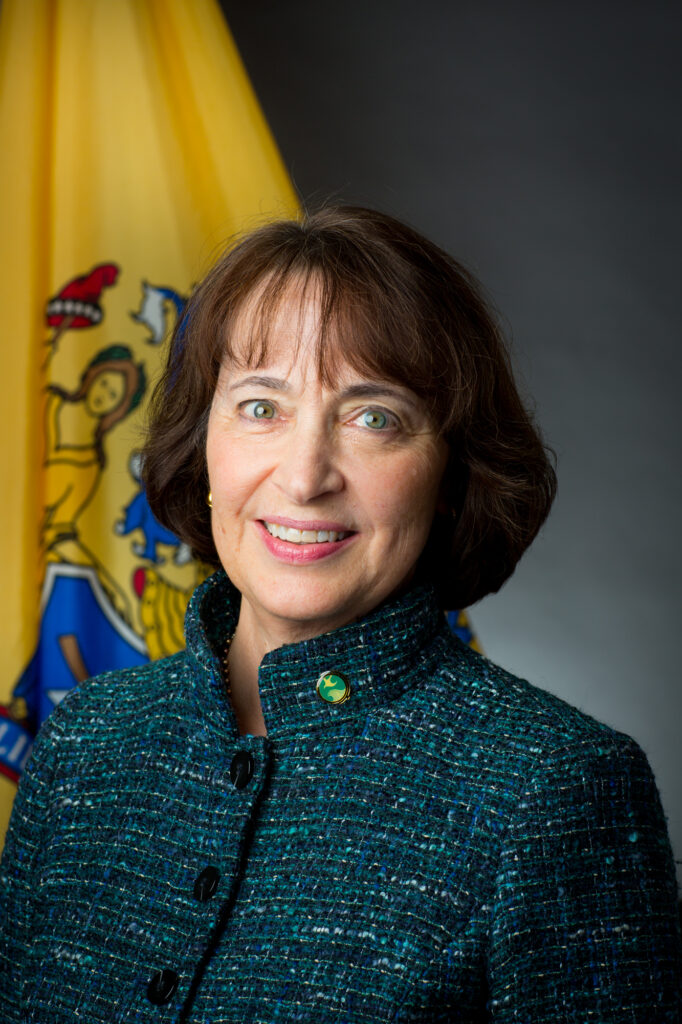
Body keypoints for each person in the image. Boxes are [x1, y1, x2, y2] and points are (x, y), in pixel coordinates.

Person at [0, 207, 679, 1022]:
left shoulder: (554, 788)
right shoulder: (84, 746)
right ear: (201, 442)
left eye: (374, 417)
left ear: (449, 470)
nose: (305, 476)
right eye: (261, 406)